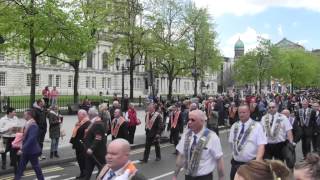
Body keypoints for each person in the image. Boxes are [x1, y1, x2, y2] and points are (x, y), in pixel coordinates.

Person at [173, 109, 225, 180]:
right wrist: (175, 175)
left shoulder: (212, 137)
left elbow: (219, 159)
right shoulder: (186, 135)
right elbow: (181, 156)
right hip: (188, 176)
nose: (189, 122)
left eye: (193, 120)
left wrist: (221, 178)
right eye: (189, 119)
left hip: (204, 177)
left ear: (202, 121)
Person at [229, 105, 267, 180]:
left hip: (250, 164)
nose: (241, 114)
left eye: (244, 112)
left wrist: (258, 161)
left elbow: (261, 145)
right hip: (236, 164)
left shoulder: (257, 126)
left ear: (249, 113)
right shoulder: (234, 126)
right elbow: (231, 143)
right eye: (240, 112)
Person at [15, 109, 44, 180]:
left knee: (36, 168)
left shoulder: (33, 125)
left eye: (24, 114)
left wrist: (22, 149)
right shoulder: (28, 123)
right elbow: (25, 136)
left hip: (32, 151)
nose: (23, 115)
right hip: (26, 151)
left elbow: (31, 139)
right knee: (20, 167)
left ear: (29, 115)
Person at [83, 107, 107, 180]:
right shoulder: (93, 122)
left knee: (102, 170)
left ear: (90, 114)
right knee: (88, 172)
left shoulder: (97, 124)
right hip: (91, 153)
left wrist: (91, 148)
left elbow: (98, 138)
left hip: (97, 153)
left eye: (88, 114)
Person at [70, 110, 91, 179]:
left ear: (83, 115)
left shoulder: (88, 123)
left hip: (82, 146)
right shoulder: (80, 122)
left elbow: (86, 135)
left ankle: (85, 175)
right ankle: (82, 173)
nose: (77, 116)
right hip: (78, 145)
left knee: (83, 161)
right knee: (79, 160)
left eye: (79, 115)